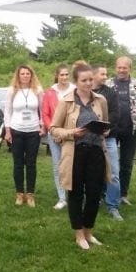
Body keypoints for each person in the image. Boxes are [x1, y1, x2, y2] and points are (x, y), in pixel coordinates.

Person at [50, 62, 111, 250]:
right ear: (76, 82)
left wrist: (104, 132)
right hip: (75, 153)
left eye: (91, 79)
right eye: (84, 80)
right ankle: (78, 235)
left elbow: (105, 124)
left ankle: (88, 231)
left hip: (96, 153)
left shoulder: (101, 100)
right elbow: (53, 129)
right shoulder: (66, 101)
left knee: (94, 195)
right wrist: (71, 133)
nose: (88, 83)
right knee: (75, 194)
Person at [107, 56, 136, 205]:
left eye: (124, 67)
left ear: (130, 68)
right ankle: (107, 193)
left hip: (131, 130)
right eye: (119, 67)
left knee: (126, 163)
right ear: (115, 68)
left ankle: (123, 194)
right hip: (112, 130)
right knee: (109, 164)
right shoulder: (108, 85)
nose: (121, 70)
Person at [3, 64, 44, 207]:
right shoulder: (12, 91)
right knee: (18, 164)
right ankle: (19, 194)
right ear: (18, 75)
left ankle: (30, 194)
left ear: (31, 75)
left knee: (31, 164)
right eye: (22, 74)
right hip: (17, 130)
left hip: (33, 131)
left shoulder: (37, 90)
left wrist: (42, 125)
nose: (25, 76)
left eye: (28, 73)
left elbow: (42, 109)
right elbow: (7, 111)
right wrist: (7, 131)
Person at [41, 64, 74, 210]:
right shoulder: (49, 93)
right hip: (54, 135)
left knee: (73, 166)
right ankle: (62, 198)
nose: (64, 77)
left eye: (67, 74)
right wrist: (54, 132)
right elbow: (46, 114)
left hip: (72, 134)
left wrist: (67, 132)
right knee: (57, 166)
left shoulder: (75, 91)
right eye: (62, 75)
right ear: (57, 75)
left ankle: (74, 195)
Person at [92, 63, 123, 221]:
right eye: (102, 74)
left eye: (106, 74)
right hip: (89, 139)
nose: (105, 77)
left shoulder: (110, 93)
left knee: (113, 174)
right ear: (94, 75)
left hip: (108, 138)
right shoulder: (84, 92)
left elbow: (116, 113)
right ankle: (94, 200)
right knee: (92, 173)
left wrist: (107, 127)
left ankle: (113, 206)